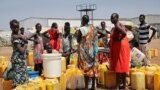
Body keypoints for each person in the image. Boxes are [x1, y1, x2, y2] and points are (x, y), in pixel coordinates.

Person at [76, 15, 98, 90]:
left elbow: (78, 40)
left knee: (86, 68)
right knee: (93, 67)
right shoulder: (93, 28)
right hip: (92, 50)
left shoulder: (81, 29)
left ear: (82, 20)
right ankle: (92, 87)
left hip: (85, 52)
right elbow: (95, 38)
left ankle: (86, 87)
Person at [109, 13, 130, 89]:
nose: (112, 19)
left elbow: (124, 33)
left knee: (119, 66)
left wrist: (119, 39)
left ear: (117, 18)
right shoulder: (120, 24)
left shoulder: (117, 25)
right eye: (111, 18)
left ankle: (117, 86)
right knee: (123, 66)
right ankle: (124, 85)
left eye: (113, 18)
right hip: (122, 47)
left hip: (119, 48)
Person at [10, 19, 28, 88]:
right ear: (11, 28)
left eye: (17, 27)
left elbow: (25, 39)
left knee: (23, 78)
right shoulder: (14, 37)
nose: (16, 29)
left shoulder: (18, 35)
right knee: (17, 79)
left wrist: (22, 37)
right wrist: (26, 45)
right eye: (14, 27)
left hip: (21, 60)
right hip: (17, 61)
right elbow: (22, 51)